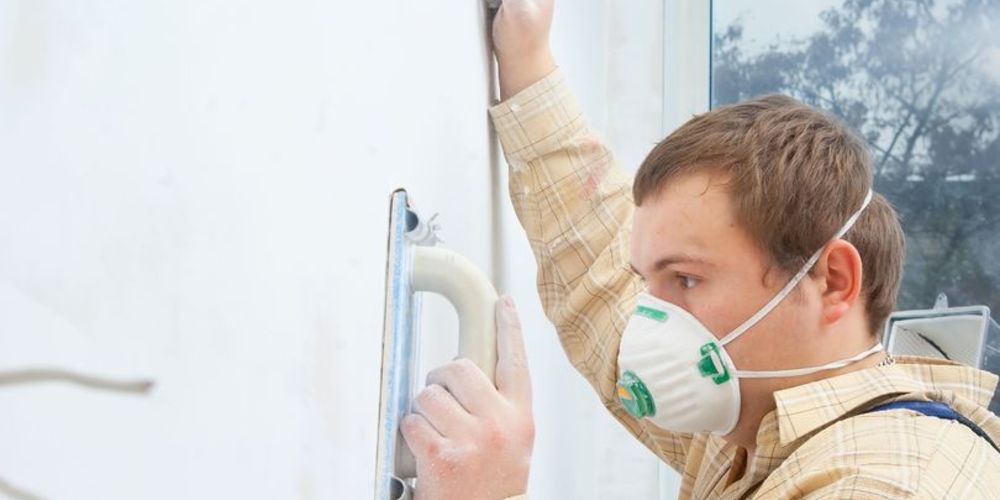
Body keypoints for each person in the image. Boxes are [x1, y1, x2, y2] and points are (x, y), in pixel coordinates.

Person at [401, 1, 1000, 498]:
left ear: (834, 281)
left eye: (686, 279)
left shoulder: (887, 484)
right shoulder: (760, 424)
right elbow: (600, 272)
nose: (645, 322)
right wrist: (526, 56)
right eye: (649, 280)